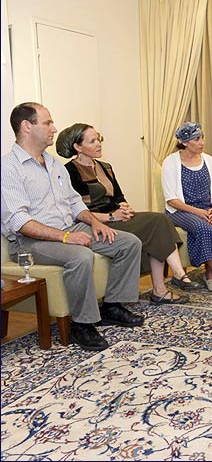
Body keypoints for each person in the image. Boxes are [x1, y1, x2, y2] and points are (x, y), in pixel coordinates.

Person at [1, 102, 144, 351]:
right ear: (26, 126)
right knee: (80, 255)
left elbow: (75, 202)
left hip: (69, 228)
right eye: (47, 123)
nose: (54, 128)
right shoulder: (8, 168)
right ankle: (82, 325)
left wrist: (94, 221)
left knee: (128, 243)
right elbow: (19, 222)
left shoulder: (54, 164)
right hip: (32, 242)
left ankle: (112, 306)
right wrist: (66, 238)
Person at [56, 123, 202, 305]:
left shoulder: (105, 166)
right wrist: (111, 217)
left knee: (159, 221)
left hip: (116, 217)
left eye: (99, 139)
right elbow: (75, 212)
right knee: (156, 222)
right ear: (78, 147)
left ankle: (164, 286)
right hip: (95, 223)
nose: (99, 144)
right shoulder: (68, 171)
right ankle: (172, 280)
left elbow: (119, 197)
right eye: (92, 141)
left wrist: (125, 208)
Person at [161, 122, 212, 292]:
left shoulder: (208, 160)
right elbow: (171, 200)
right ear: (184, 142)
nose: (202, 142)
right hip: (181, 210)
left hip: (207, 208)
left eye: (202, 138)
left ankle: (209, 274)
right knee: (203, 227)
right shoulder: (171, 162)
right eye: (197, 139)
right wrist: (198, 212)